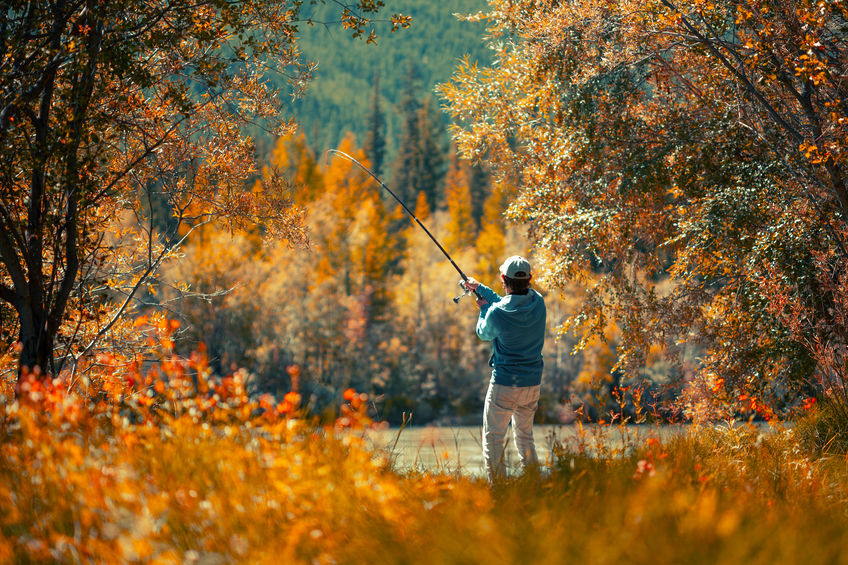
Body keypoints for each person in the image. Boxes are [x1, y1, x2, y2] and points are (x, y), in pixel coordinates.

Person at [461, 255, 546, 480]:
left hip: (505, 384)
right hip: (532, 383)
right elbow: (507, 303)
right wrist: (480, 288)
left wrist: (483, 309)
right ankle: (534, 484)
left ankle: (499, 492)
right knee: (525, 437)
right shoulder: (538, 301)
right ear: (530, 278)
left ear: (502, 278)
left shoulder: (497, 313)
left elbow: (484, 332)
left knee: (493, 439)